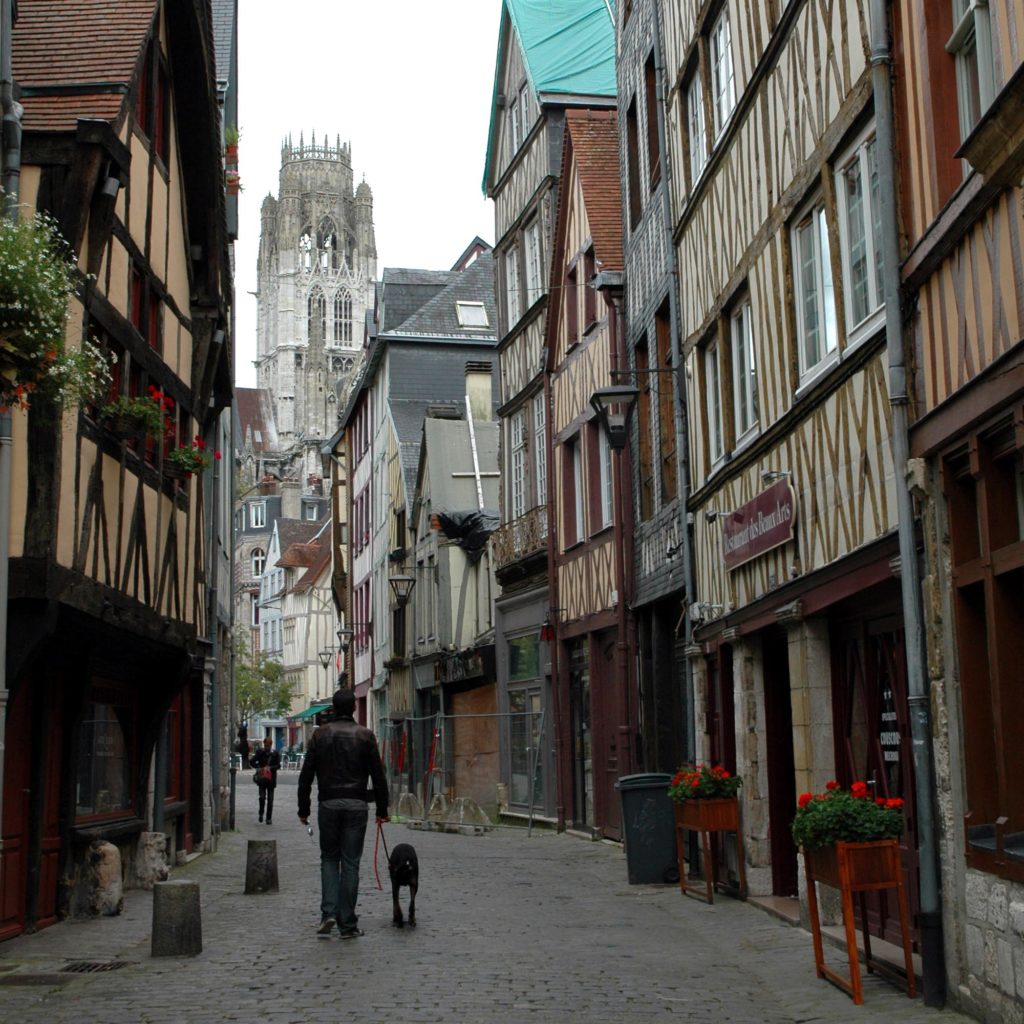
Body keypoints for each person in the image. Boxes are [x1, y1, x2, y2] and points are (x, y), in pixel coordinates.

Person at [298, 688, 388, 939]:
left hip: (328, 803)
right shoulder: (366, 736)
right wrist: (382, 809)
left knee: (329, 858)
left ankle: (328, 913)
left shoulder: (320, 735)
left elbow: (306, 776)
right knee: (350, 863)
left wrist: (303, 808)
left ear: (334, 709)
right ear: (353, 709)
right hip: (357, 805)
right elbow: (379, 777)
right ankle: (347, 923)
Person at [250, 736, 281, 824]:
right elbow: (252, 761)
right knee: (262, 797)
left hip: (271, 780)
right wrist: (258, 768)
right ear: (264, 744)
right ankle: (261, 813)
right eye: (266, 745)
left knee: (270, 800)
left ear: (271, 745)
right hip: (262, 779)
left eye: (268, 746)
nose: (267, 747)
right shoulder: (260, 752)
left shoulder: (275, 754)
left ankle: (268, 818)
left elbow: (278, 765)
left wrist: (270, 768)